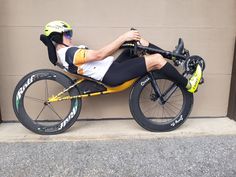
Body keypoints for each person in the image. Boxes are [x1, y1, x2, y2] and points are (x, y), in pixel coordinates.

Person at [44, 20, 202, 93]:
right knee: (157, 60)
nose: (70, 37)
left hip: (111, 67)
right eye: (67, 34)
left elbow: (99, 57)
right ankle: (189, 85)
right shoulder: (70, 53)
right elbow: (99, 55)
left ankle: (175, 57)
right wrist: (122, 37)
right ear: (57, 37)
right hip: (112, 74)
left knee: (137, 41)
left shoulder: (64, 54)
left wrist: (126, 40)